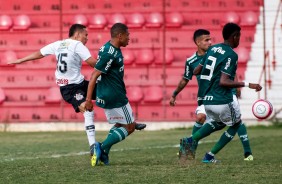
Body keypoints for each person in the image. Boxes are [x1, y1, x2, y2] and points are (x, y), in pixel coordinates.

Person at [8, 24, 145, 167]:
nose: (86, 38)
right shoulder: (77, 45)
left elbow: (40, 53)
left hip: (79, 84)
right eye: (85, 35)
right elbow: (94, 64)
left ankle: (129, 123)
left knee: (106, 91)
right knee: (87, 107)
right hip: (71, 89)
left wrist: (20, 60)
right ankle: (93, 146)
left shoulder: (58, 44)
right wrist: (108, 65)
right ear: (78, 34)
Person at [181, 23, 262, 163]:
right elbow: (224, 82)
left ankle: (190, 140)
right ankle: (209, 156)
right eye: (239, 37)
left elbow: (196, 71)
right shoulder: (231, 54)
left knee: (219, 123)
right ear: (235, 36)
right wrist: (249, 84)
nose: (239, 40)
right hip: (222, 99)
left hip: (207, 100)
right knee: (236, 124)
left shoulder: (212, 49)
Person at [85, 23, 141, 166]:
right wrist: (88, 100)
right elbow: (94, 76)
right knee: (129, 127)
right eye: (127, 35)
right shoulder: (110, 53)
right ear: (120, 36)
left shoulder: (109, 47)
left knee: (119, 123)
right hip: (115, 95)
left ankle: (104, 154)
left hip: (108, 93)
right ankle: (101, 147)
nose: (129, 38)